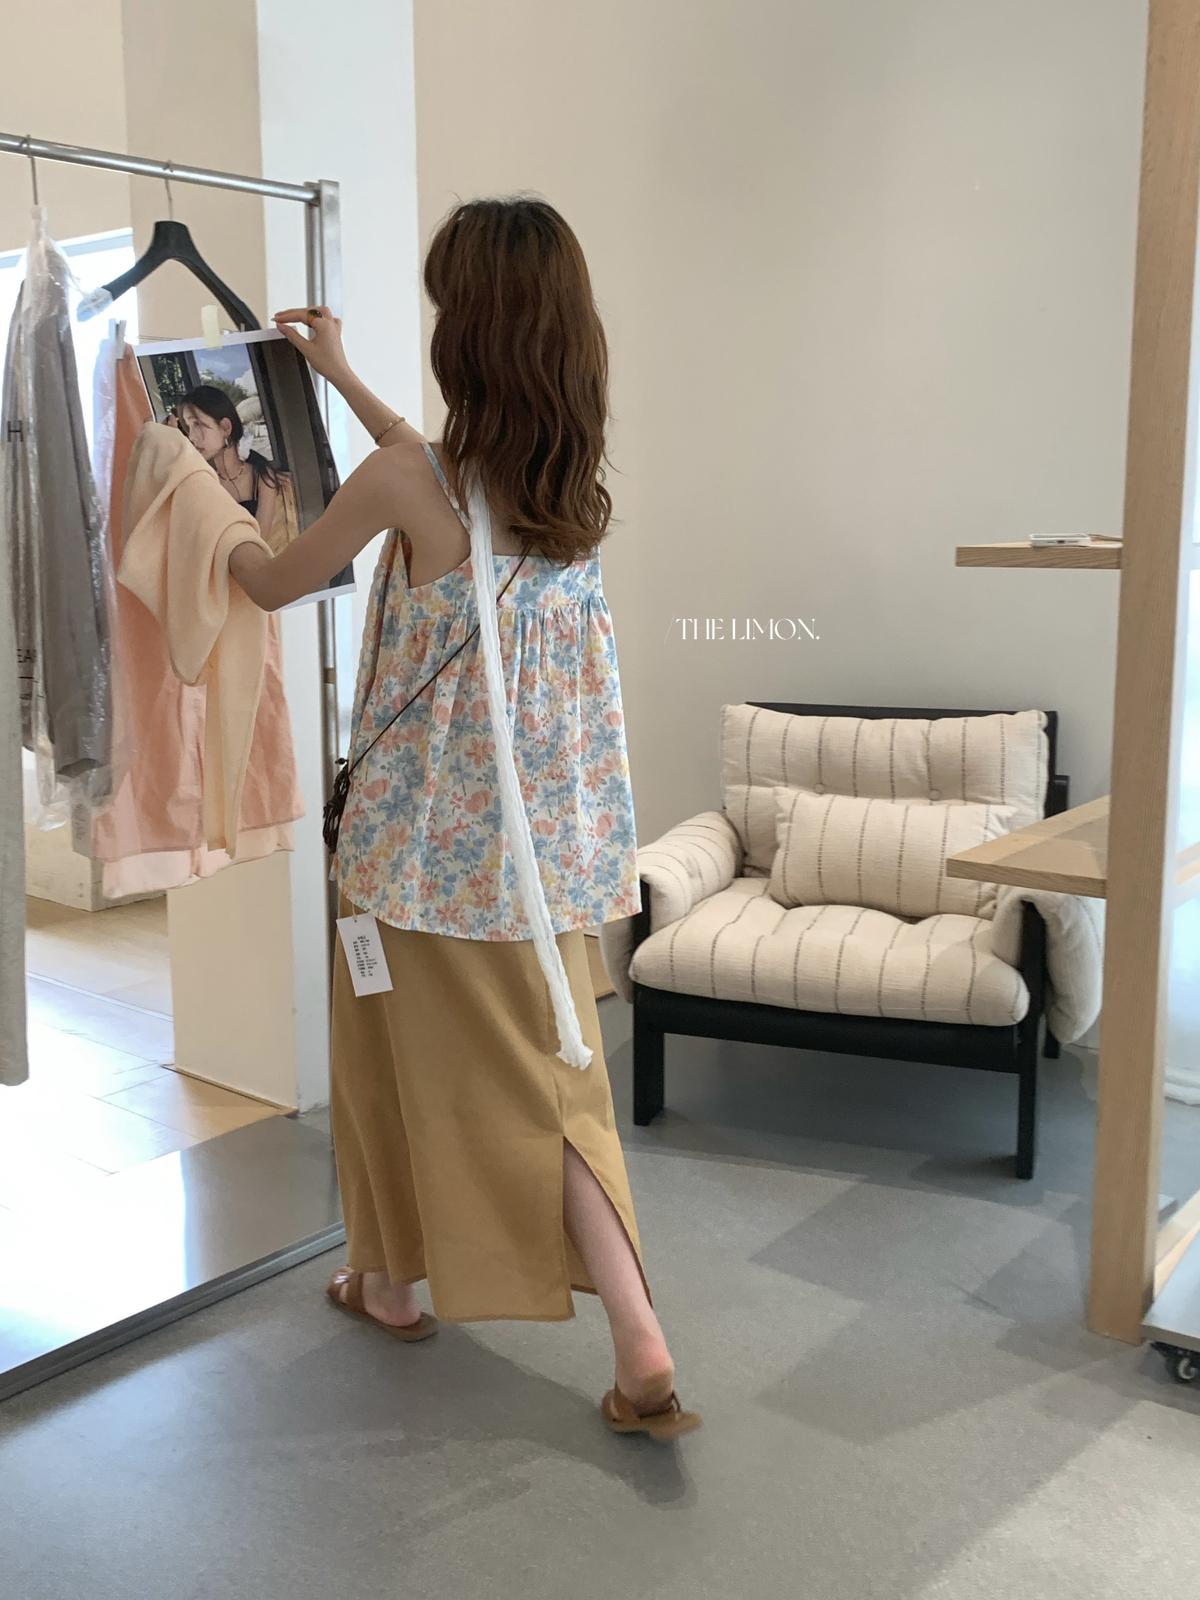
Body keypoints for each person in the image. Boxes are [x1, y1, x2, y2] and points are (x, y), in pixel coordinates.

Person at [228, 196, 701, 1443]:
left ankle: (395, 1282)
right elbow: (430, 476)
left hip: (414, 858)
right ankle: (627, 1330)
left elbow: (275, 580)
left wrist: (198, 501)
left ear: (469, 336)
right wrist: (342, 376)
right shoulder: (564, 489)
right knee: (560, 1076)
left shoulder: (414, 483)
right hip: (548, 861)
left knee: (391, 1061)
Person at [173, 383, 285, 548]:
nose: (192, 437)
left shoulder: (261, 475)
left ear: (225, 427)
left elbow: (260, 541)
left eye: (197, 424)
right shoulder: (200, 480)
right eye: (188, 427)